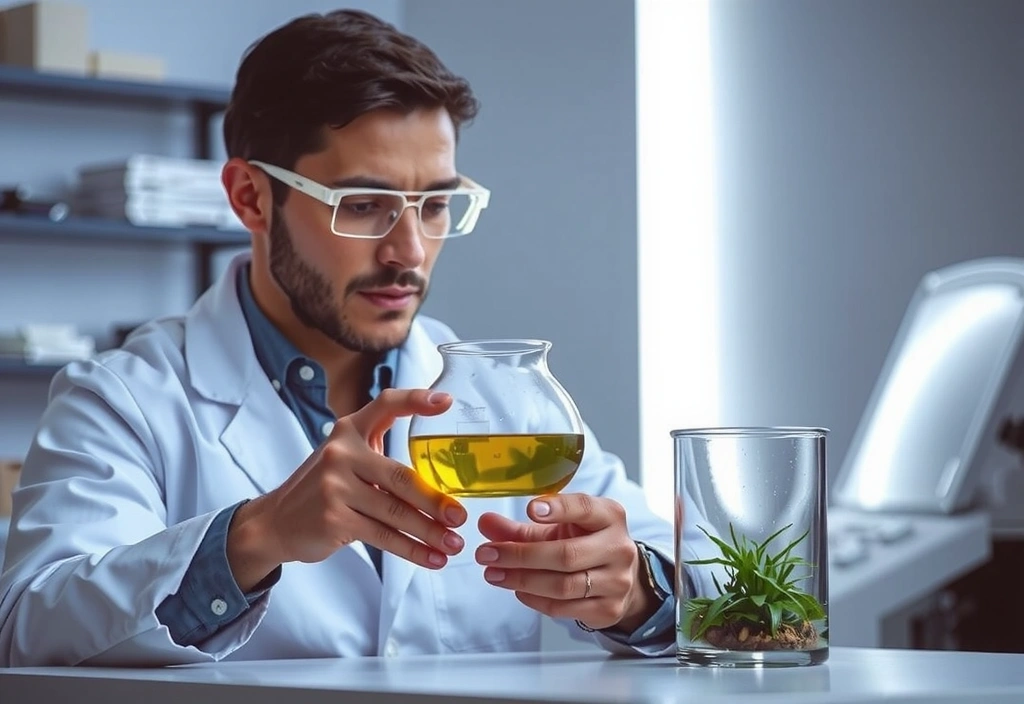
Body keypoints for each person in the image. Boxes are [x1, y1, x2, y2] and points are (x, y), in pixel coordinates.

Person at [0, 9, 714, 667]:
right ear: (250, 196)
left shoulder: (502, 401)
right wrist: (257, 535)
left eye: (435, 205)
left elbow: (704, 587)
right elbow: (31, 629)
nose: (409, 251)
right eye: (364, 205)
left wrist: (634, 594)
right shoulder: (123, 400)